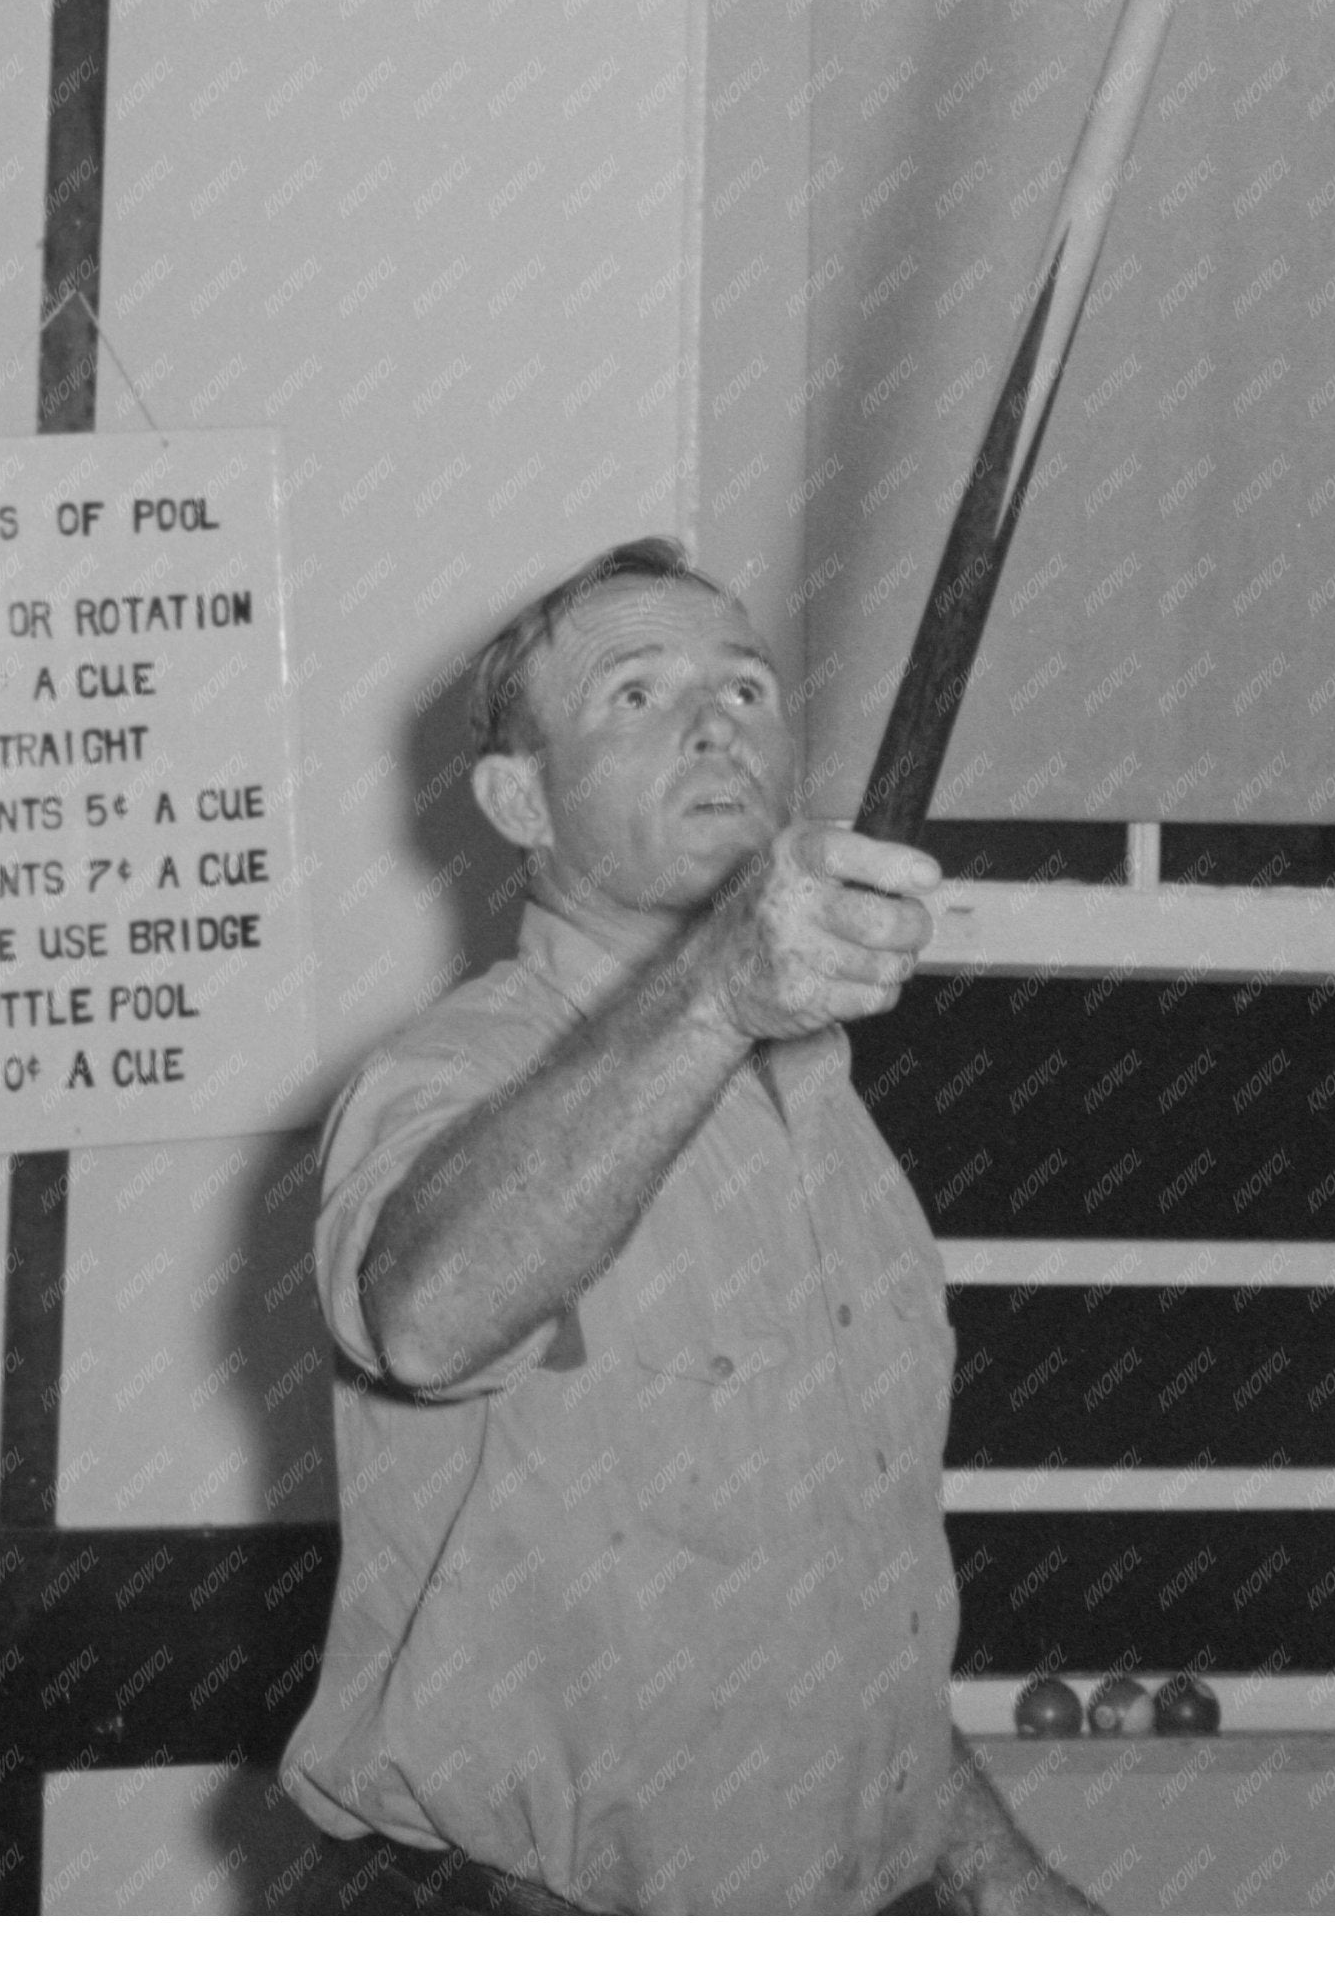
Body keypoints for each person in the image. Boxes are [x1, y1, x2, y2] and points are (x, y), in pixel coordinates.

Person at [280, 537, 1098, 1915]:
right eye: (637, 693)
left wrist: (1010, 1890)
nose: (716, 721)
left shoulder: (824, 1114)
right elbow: (421, 1316)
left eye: (747, 689)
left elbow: (841, 1625)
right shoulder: (452, 1076)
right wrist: (720, 987)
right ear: (520, 799)